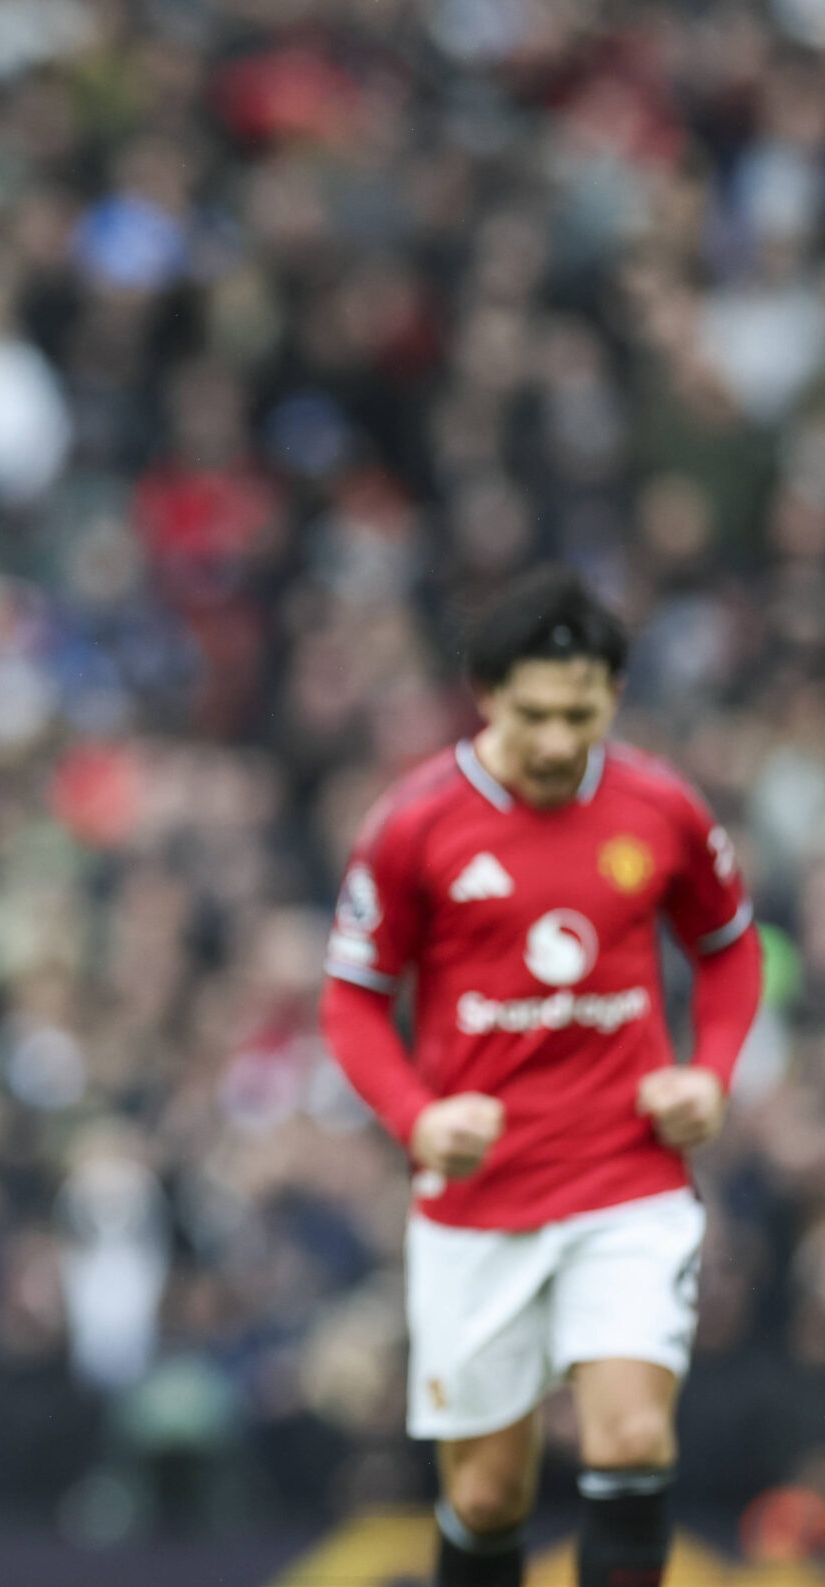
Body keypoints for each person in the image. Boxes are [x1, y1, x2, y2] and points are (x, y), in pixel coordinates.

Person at [317, 564, 766, 1587]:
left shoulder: (662, 809)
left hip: (627, 1179)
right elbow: (349, 1000)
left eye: (581, 712)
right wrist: (416, 1119)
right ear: (483, 697)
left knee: (630, 1440)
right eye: (533, 715)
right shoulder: (413, 825)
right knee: (485, 1496)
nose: (559, 741)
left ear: (612, 695)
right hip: (478, 1199)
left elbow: (730, 949)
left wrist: (711, 1074)